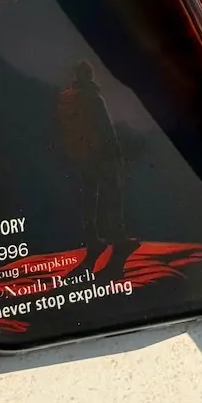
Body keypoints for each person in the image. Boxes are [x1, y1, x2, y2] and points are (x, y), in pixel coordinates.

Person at [57, 60, 125, 262]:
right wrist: (116, 151)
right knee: (112, 192)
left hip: (82, 154)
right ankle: (118, 237)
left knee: (89, 195)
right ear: (89, 75)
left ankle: (92, 240)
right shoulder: (93, 98)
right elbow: (106, 127)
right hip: (101, 152)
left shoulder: (68, 99)